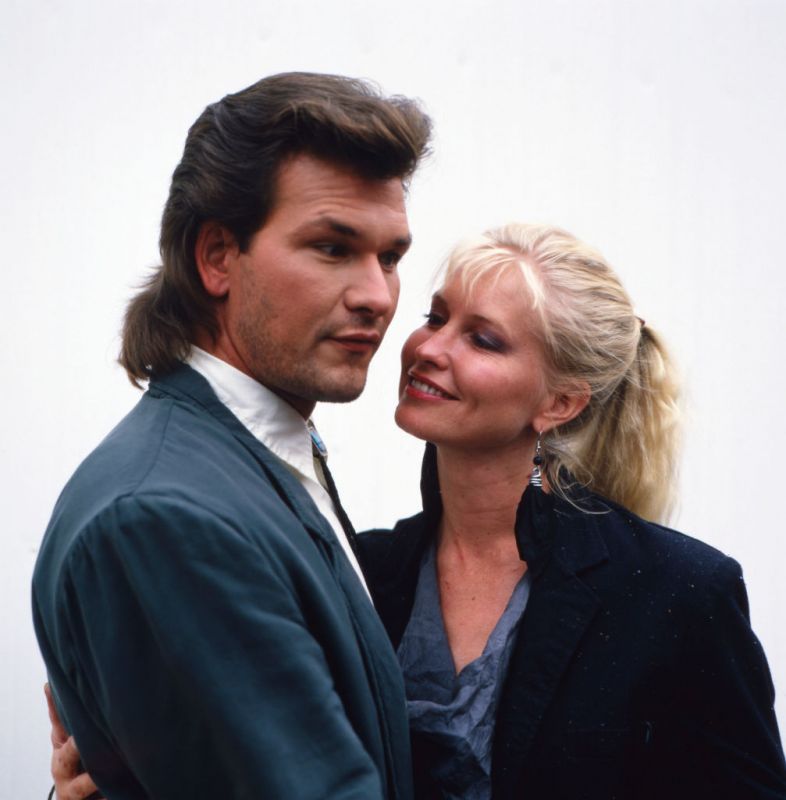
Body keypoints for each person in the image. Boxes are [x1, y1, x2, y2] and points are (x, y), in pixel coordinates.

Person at [33, 71, 431, 799]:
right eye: (332, 248)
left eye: (391, 257)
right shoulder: (163, 517)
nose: (377, 296)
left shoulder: (259, 454)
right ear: (217, 255)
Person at [355, 223, 786, 798]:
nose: (429, 349)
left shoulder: (680, 592)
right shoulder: (358, 568)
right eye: (436, 318)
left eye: (483, 340)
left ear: (560, 402)